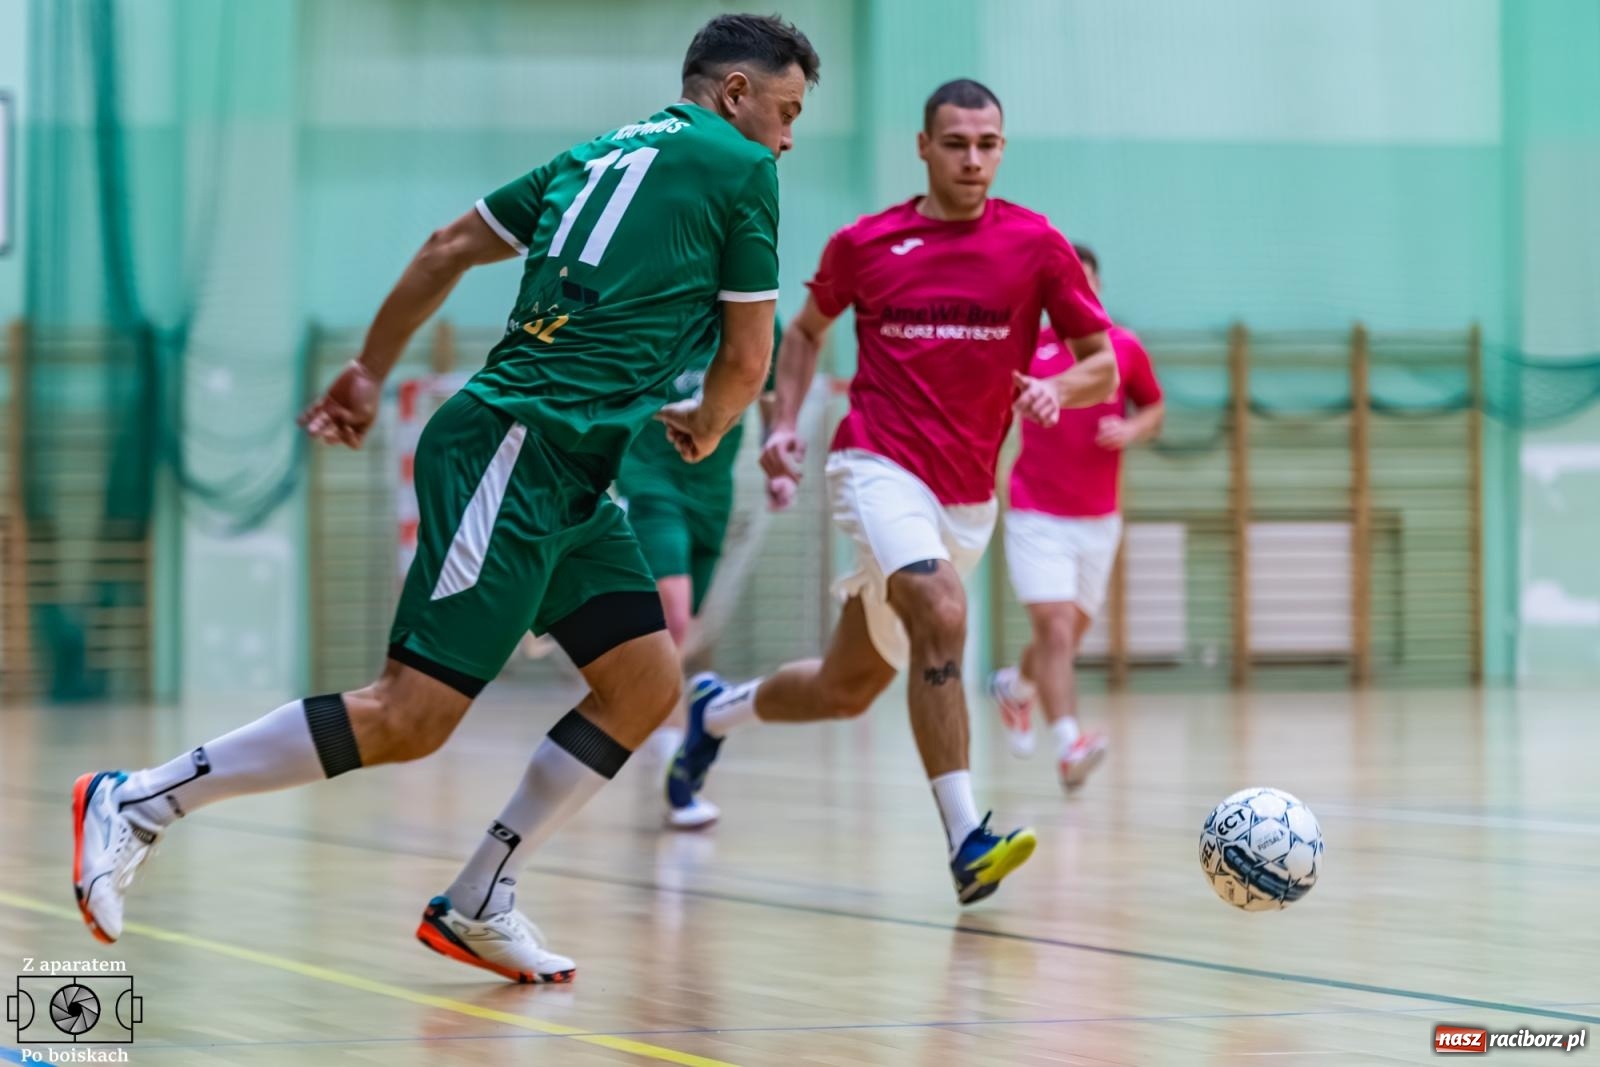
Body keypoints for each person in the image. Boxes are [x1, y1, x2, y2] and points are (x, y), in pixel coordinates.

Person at [69, 13, 820, 984]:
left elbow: (445, 245)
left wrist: (368, 370)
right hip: (518, 445)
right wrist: (715, 423)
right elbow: (747, 359)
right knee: (410, 714)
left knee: (645, 683)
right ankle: (138, 801)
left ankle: (479, 897)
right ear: (733, 93)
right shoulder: (741, 166)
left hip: (565, 462)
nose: (789, 136)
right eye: (786, 110)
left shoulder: (591, 155)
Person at [665, 79, 1118, 905]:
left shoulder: (1037, 246)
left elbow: (1103, 363)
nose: (972, 159)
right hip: (875, 464)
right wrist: (782, 423)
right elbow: (801, 334)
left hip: (966, 496)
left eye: (988, 144)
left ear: (1002, 149)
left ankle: (714, 712)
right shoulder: (866, 243)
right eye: (955, 143)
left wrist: (1063, 390)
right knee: (943, 611)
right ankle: (966, 838)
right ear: (923, 147)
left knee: (848, 687)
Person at [989, 246, 1165, 790]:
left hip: (1098, 519)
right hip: (1036, 514)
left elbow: (1153, 408)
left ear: (1099, 289)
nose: (1078, 297)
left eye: (1087, 286)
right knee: (1057, 630)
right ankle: (1070, 746)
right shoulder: (1028, 351)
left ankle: (1017, 688)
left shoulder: (1124, 349)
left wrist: (1132, 430)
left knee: (1065, 635)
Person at [617, 315, 782, 827]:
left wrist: (776, 451)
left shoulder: (754, 323)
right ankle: (676, 765)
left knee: (672, 635)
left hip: (712, 496)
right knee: (675, 617)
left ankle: (645, 709)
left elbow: (770, 395)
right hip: (651, 480)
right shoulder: (655, 307)